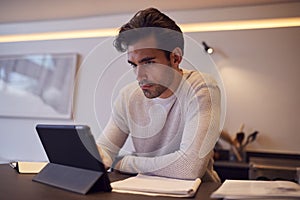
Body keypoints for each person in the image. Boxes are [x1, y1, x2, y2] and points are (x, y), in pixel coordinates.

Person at [97, 7, 221, 182]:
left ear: (176, 58)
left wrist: (123, 162)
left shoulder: (201, 88)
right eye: (134, 65)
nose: (139, 76)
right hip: (144, 191)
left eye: (149, 62)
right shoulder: (128, 96)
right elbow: (105, 151)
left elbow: (189, 167)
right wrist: (95, 155)